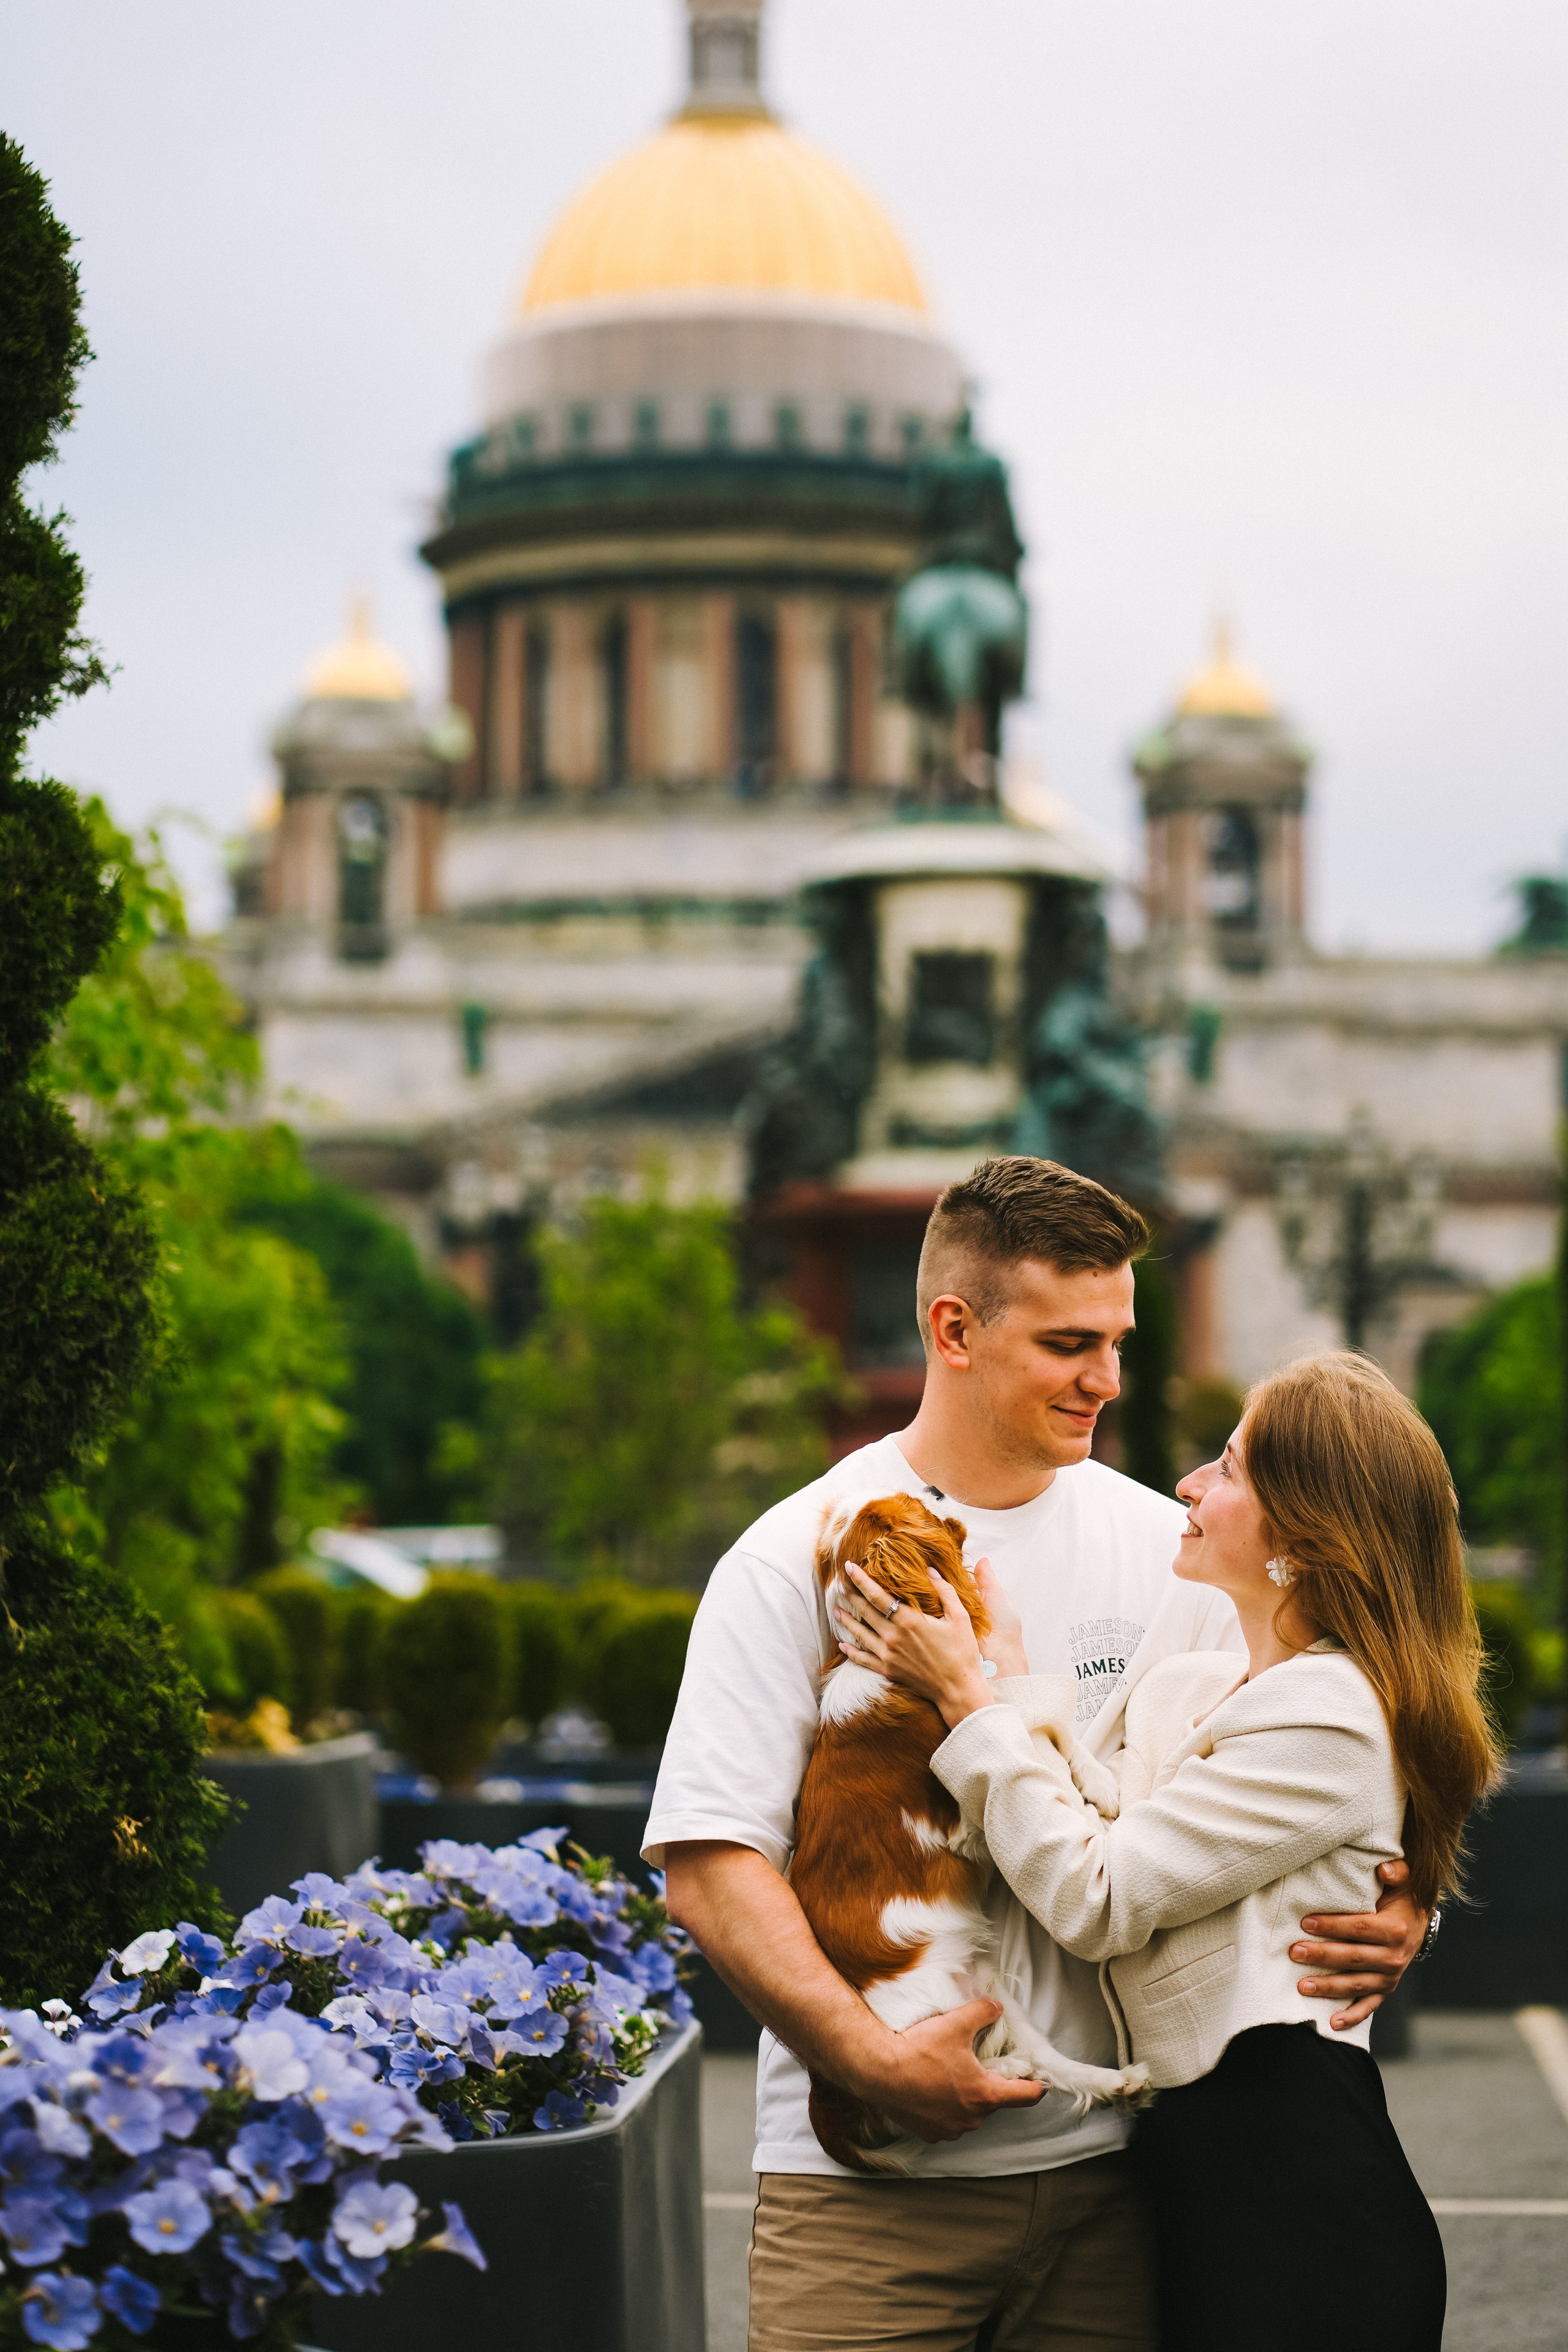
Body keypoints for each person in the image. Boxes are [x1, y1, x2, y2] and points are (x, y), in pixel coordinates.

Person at [645, 1157, 1426, 2352]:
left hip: (1120, 2188)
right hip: (864, 2196)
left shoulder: (1178, 1550)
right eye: (1070, 1343)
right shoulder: (788, 1553)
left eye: (1116, 1338)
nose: (1107, 1379)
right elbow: (710, 1865)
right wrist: (870, 2061)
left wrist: (1398, 1894)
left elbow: (1297, 1772)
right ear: (953, 1328)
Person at [838, 1349, 1499, 2352]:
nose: (1190, 1483)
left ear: (1305, 1534)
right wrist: (1006, 1670)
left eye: (1229, 1468)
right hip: (1193, 2186)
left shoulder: (1333, 1716)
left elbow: (1095, 1899)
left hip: (1303, 2208)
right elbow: (1072, 1820)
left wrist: (970, 1698)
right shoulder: (1189, 1689)